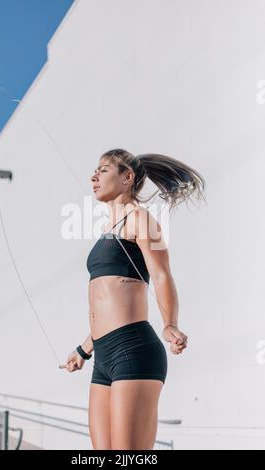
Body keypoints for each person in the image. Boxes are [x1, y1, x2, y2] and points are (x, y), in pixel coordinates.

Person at [60, 148, 206, 450]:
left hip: (133, 350)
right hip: (103, 356)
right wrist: (84, 349)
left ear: (127, 177)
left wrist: (170, 324)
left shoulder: (140, 219)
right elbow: (109, 300)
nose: (93, 177)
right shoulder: (106, 232)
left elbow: (162, 274)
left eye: (102, 170)